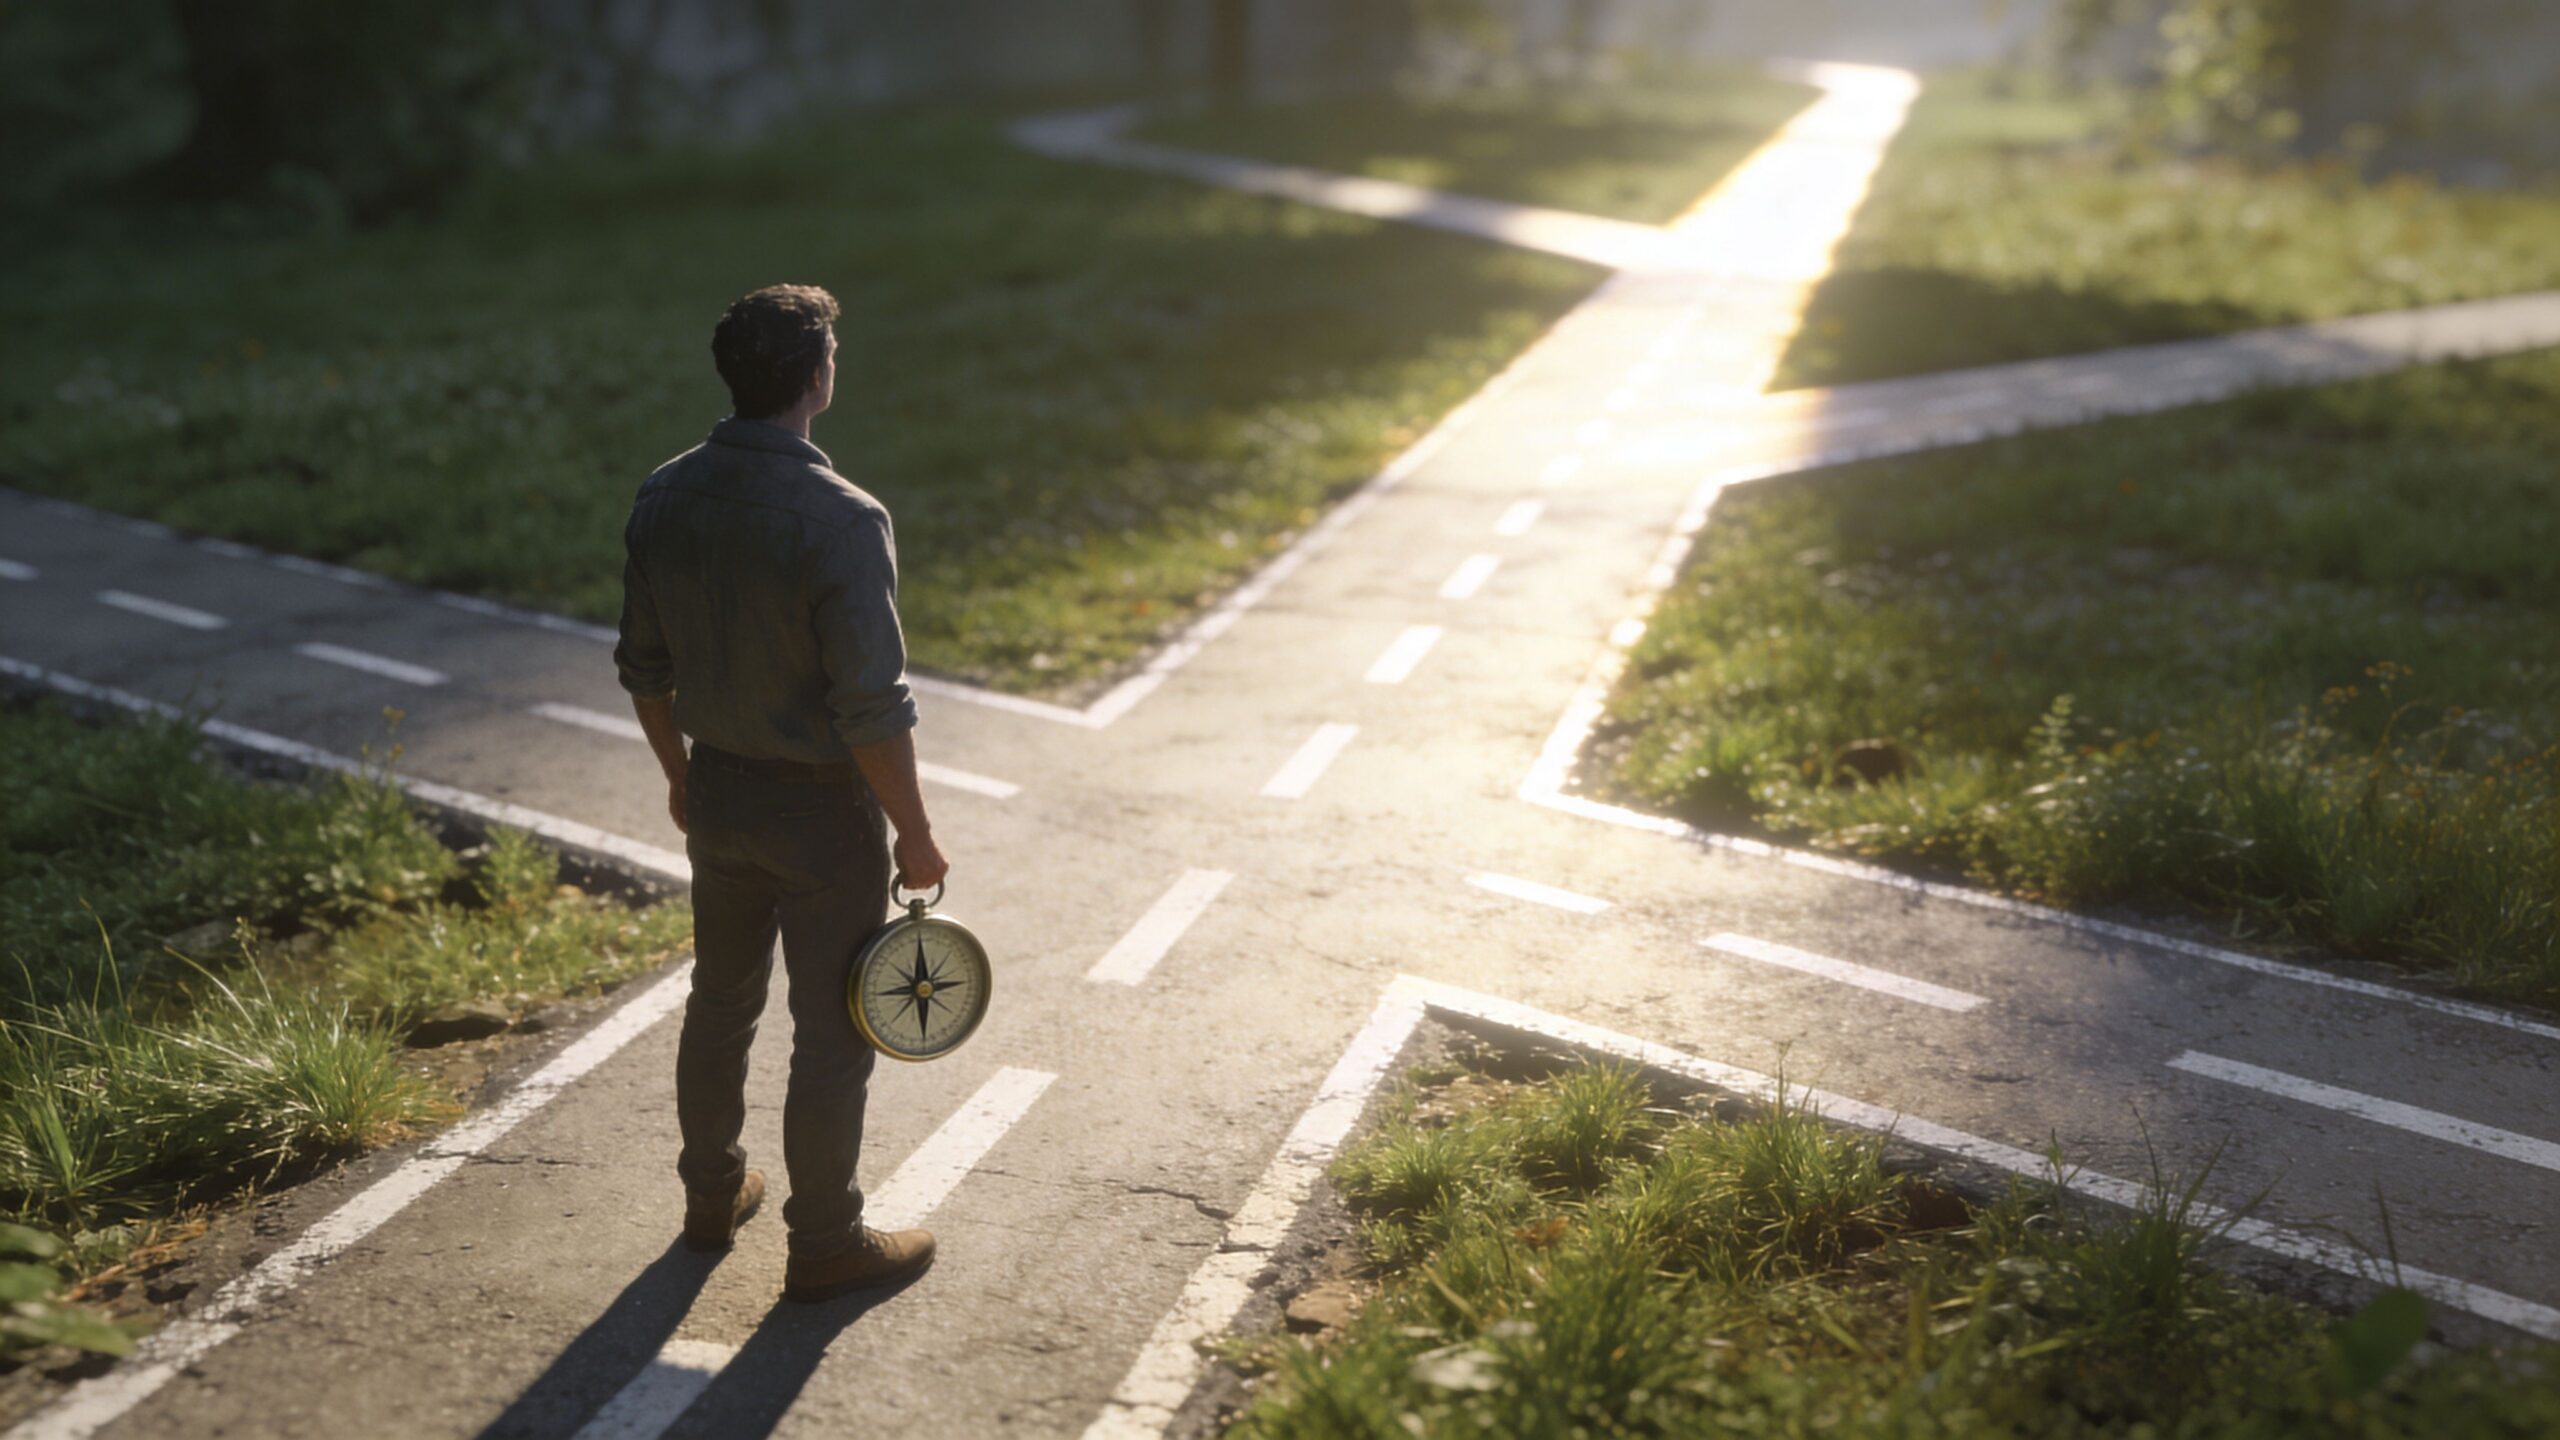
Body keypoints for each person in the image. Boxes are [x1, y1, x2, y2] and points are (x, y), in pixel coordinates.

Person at [614, 283, 948, 1301]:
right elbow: (872, 708)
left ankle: (711, 1197)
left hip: (716, 792)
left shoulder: (664, 492)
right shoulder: (842, 519)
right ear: (818, 378)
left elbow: (644, 666)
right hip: (818, 816)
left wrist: (680, 779)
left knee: (718, 1005)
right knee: (832, 1030)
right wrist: (917, 837)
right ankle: (826, 1243)